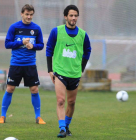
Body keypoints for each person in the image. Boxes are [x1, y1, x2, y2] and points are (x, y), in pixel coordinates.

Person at [46, 5, 91, 138]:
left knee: (71, 102)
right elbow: (49, 49)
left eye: (75, 15)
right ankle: (62, 129)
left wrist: (81, 68)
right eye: (71, 15)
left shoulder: (83, 34)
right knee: (60, 101)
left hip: (75, 74)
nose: (73, 18)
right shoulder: (56, 31)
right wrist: (50, 70)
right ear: (65, 17)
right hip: (60, 72)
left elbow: (88, 51)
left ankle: (67, 126)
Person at [0, 4, 46, 125]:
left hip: (30, 65)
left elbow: (41, 45)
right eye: (27, 14)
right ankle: (2, 116)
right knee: (10, 88)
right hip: (16, 64)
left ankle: (38, 117)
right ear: (22, 14)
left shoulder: (36, 29)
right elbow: (7, 44)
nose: (29, 17)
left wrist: (33, 46)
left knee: (34, 89)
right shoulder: (14, 27)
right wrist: (21, 42)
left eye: (31, 15)